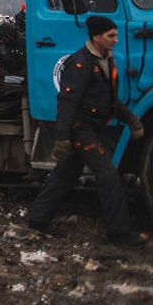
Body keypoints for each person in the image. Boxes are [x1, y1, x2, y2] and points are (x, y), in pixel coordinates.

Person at [27, 16, 146, 247]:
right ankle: (119, 233)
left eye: (115, 35)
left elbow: (111, 101)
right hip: (81, 130)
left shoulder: (105, 60)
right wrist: (62, 138)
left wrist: (131, 119)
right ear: (96, 36)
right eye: (111, 36)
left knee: (64, 176)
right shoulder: (79, 63)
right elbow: (67, 102)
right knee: (109, 175)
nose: (116, 40)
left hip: (92, 127)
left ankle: (38, 220)